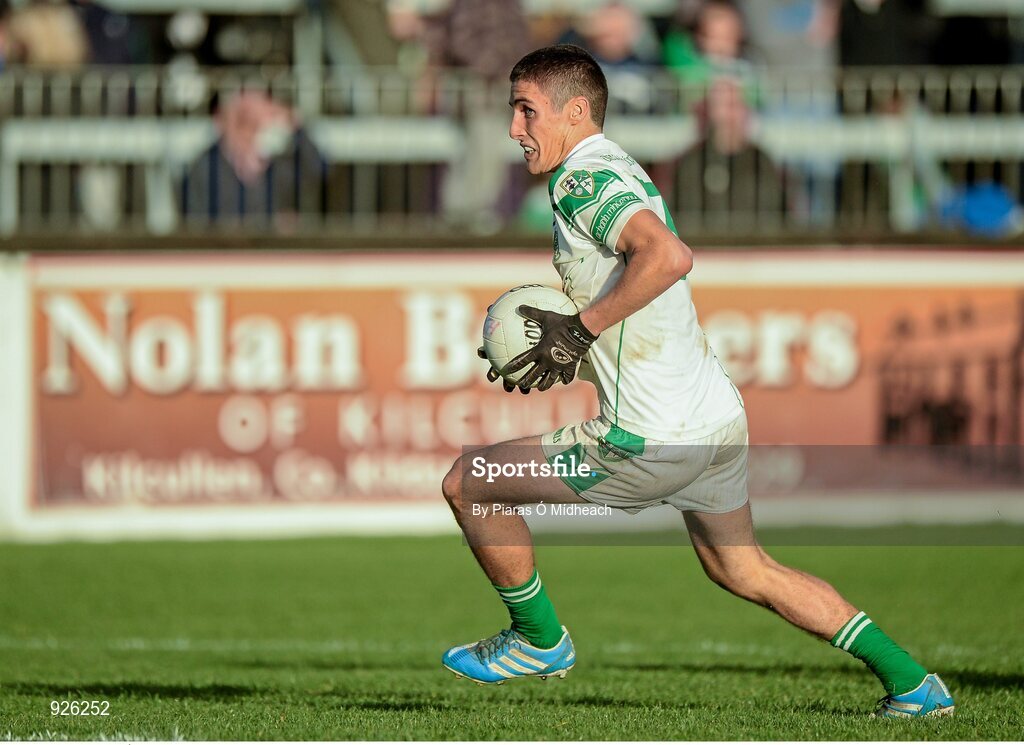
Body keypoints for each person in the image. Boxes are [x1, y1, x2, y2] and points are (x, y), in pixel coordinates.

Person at [440, 43, 954, 719]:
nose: (514, 128)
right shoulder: (613, 165)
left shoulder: (579, 179)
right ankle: (914, 683)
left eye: (526, 110)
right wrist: (577, 342)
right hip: (711, 418)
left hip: (647, 437)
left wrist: (581, 329)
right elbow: (646, 270)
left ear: (575, 111)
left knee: (470, 482)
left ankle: (539, 640)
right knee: (745, 569)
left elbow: (668, 256)